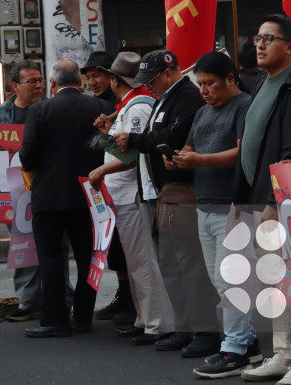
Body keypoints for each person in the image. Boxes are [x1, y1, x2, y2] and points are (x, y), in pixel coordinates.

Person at [114, 49, 221, 358]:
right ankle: (185, 327)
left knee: (190, 267)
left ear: (170, 73)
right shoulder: (164, 98)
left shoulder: (186, 96)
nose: (148, 86)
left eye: (152, 80)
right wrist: (149, 138)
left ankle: (205, 330)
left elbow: (171, 136)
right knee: (171, 266)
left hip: (183, 192)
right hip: (163, 192)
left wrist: (138, 140)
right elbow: (158, 134)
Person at [236, 15, 291, 385]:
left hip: (285, 199)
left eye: (269, 38)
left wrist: (274, 199)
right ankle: (282, 353)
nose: (260, 44)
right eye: (258, 37)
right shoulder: (263, 82)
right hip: (261, 197)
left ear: (290, 47)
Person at [167, 52, 257, 379]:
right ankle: (245, 341)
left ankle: (235, 348)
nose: (204, 90)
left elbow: (243, 152)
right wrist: (179, 158)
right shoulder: (203, 111)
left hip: (233, 204)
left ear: (231, 79)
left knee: (234, 279)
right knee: (222, 280)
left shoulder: (245, 106)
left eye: (210, 83)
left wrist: (199, 161)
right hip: (204, 204)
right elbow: (191, 147)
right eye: (200, 83)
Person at [87, 52, 175, 346]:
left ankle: (157, 323)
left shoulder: (136, 109)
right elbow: (121, 149)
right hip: (124, 194)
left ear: (115, 81)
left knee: (143, 261)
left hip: (132, 193)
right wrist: (106, 134)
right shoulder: (127, 107)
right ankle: (145, 318)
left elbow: (133, 156)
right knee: (137, 260)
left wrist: (100, 169)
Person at [19, 60, 110, 337]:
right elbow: (106, 150)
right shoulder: (102, 108)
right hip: (89, 193)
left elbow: (27, 156)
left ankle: (56, 320)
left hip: (49, 195)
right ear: (80, 82)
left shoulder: (39, 110)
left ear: (53, 83)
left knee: (51, 258)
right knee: (87, 257)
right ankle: (83, 317)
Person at [0, 61, 64, 322]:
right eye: (31, 81)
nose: (38, 86)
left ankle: (61, 299)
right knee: (22, 247)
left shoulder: (51, 110)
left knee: (55, 247)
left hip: (49, 190)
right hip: (16, 194)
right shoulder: (1, 114)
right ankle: (29, 301)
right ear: (14, 86)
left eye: (40, 80)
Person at [81, 50, 134, 325]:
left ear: (112, 77)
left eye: (97, 76)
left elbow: (127, 154)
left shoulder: (125, 105)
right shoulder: (92, 104)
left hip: (125, 186)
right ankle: (123, 295)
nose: (93, 82)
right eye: (88, 78)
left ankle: (132, 301)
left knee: (128, 248)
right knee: (112, 246)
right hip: (101, 183)